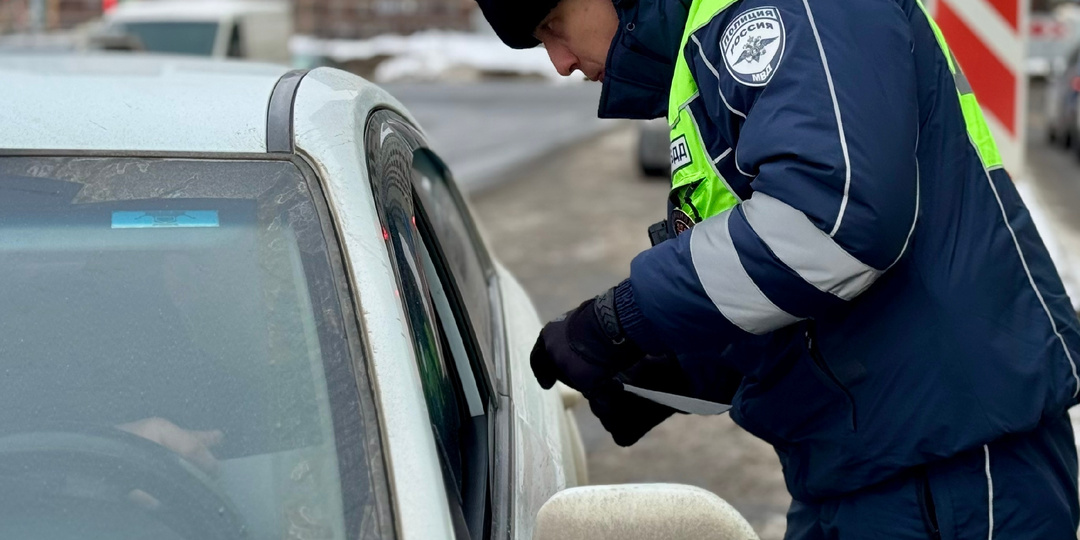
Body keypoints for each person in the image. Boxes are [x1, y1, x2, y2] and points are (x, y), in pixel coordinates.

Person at [474, 0, 1080, 536]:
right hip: (865, 469)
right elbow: (789, 281)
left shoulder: (794, 11)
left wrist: (624, 316)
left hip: (949, 474)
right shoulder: (708, 51)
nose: (558, 61)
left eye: (553, 25)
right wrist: (671, 365)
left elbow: (832, 223)